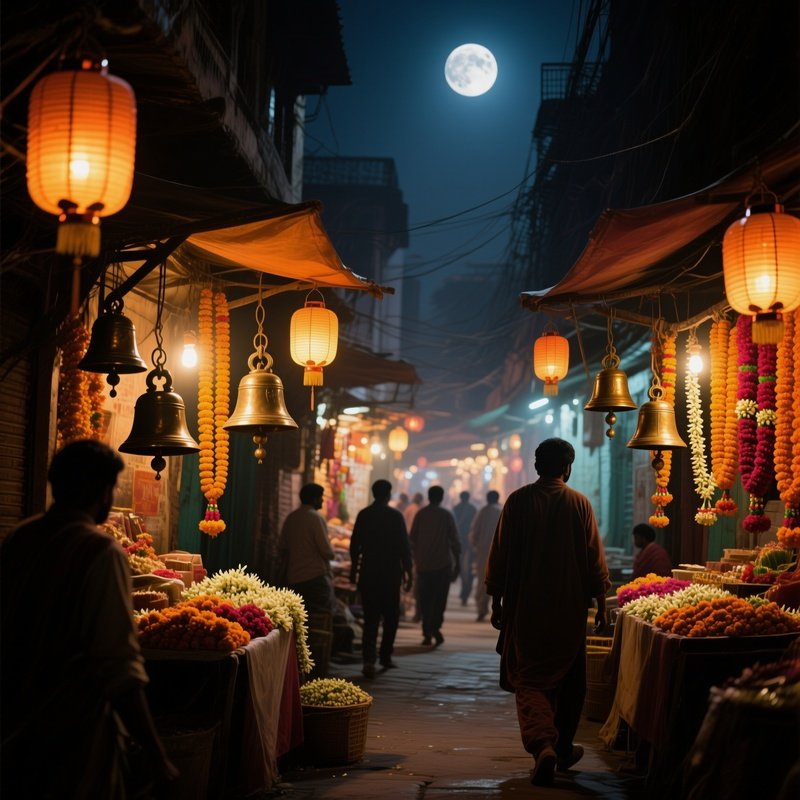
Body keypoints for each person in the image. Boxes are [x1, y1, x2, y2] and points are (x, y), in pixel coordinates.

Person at [0, 439, 178, 798]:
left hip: (13, 723)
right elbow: (119, 666)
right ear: (102, 492)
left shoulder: (20, 538)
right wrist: (157, 755)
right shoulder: (100, 551)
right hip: (72, 735)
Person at [485, 438, 610, 788]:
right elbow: (594, 559)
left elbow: (500, 554)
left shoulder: (518, 501)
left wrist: (496, 600)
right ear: (567, 468)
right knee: (570, 683)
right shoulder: (579, 504)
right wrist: (602, 604)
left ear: (537, 466)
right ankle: (562, 746)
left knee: (529, 681)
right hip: (569, 612)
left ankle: (545, 745)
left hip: (526, 610)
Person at [349, 480, 413, 678]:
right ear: (388, 494)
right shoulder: (395, 516)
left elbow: (355, 545)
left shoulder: (364, 515)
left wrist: (354, 569)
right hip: (390, 573)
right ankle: (385, 655)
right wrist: (408, 572)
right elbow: (404, 547)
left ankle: (369, 660)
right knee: (391, 616)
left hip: (369, 571)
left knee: (371, 617)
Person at [409, 485, 461, 646]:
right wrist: (457, 565)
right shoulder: (446, 515)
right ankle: (435, 628)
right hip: (442, 565)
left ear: (429, 497)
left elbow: (412, 539)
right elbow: (455, 542)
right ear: (442, 497)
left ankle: (427, 630)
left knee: (424, 599)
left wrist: (415, 560)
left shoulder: (421, 514)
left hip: (424, 565)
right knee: (439, 599)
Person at [277, 482, 336, 616]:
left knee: (298, 618)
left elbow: (282, 548)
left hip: (294, 579)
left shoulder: (291, 517)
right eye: (321, 497)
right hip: (315, 580)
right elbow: (327, 552)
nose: (322, 500)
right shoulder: (316, 518)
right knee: (319, 618)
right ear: (314, 499)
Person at [469, 490, 502, 621]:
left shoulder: (482, 511)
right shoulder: (501, 512)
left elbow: (474, 532)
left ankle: (481, 608)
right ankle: (490, 606)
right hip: (498, 552)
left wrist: (476, 546)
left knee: (482, 580)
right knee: (494, 579)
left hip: (483, 552)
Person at [452, 490, 477, 606]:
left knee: (460, 568)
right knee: (468, 570)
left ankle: (463, 591)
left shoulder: (455, 509)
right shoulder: (473, 509)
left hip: (457, 543)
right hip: (469, 544)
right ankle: (465, 593)